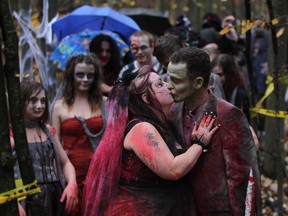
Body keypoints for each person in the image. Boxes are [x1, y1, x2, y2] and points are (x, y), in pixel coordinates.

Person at [83, 65, 219, 216]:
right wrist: (199, 144)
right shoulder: (142, 129)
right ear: (146, 98)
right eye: (160, 84)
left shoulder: (163, 124)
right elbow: (173, 170)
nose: (169, 86)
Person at [167, 47, 261, 215]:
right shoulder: (173, 111)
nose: (169, 86)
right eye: (168, 78)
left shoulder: (228, 114)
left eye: (176, 80)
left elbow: (242, 177)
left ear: (197, 82)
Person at [12, 80, 78, 216]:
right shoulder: (11, 135)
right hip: (25, 198)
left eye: (43, 101)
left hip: (54, 196)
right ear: (21, 101)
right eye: (33, 101)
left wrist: (72, 183)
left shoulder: (48, 131)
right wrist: (13, 203)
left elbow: (66, 163)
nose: (39, 106)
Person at [51, 54, 106, 216]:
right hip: (70, 172)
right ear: (71, 75)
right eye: (80, 74)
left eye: (90, 75)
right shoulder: (58, 107)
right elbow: (55, 144)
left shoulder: (104, 103)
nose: (85, 79)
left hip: (99, 172)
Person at [154, 33, 225, 99]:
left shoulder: (212, 80)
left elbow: (221, 109)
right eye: (167, 64)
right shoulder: (161, 84)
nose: (173, 67)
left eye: (177, 61)